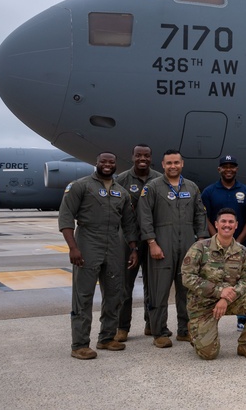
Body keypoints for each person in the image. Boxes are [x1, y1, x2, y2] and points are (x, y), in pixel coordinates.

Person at [60, 152, 138, 359]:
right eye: (103, 161)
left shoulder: (121, 192)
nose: (107, 165)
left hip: (114, 245)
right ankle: (79, 344)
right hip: (87, 242)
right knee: (83, 296)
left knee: (114, 294)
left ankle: (106, 338)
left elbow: (129, 224)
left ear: (115, 165)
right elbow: (66, 218)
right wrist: (73, 247)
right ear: (96, 163)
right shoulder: (80, 186)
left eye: (111, 162)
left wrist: (133, 249)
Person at [138, 149, 207, 348]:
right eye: (169, 163)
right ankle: (159, 332)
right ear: (163, 165)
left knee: (187, 290)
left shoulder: (192, 187)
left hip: (187, 245)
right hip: (162, 244)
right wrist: (152, 243)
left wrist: (200, 241)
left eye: (176, 162)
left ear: (182, 164)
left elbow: (200, 215)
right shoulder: (152, 187)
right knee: (159, 290)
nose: (173, 166)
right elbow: (145, 217)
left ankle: (184, 330)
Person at [181, 208, 246, 360]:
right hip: (203, 305)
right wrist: (219, 292)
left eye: (230, 222)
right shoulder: (200, 248)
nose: (227, 225)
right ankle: (196, 332)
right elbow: (187, 277)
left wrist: (225, 298)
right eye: (223, 221)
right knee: (208, 354)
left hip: (230, 301)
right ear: (216, 224)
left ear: (236, 225)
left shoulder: (242, 251)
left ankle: (245, 344)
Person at [200, 154, 246, 331]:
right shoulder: (209, 191)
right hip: (215, 247)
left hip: (239, 245)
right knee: (213, 279)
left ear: (236, 169)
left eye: (232, 166)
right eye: (225, 166)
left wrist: (236, 241)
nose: (229, 169)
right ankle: (210, 316)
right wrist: (216, 238)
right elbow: (206, 218)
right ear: (219, 169)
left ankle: (242, 318)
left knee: (240, 281)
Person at [115, 144, 161, 342]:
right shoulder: (122, 179)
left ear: (151, 158)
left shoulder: (159, 179)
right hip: (128, 239)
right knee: (125, 285)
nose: (142, 158)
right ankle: (122, 327)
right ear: (132, 157)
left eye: (146, 155)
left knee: (153, 285)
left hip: (152, 239)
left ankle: (151, 323)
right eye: (138, 155)